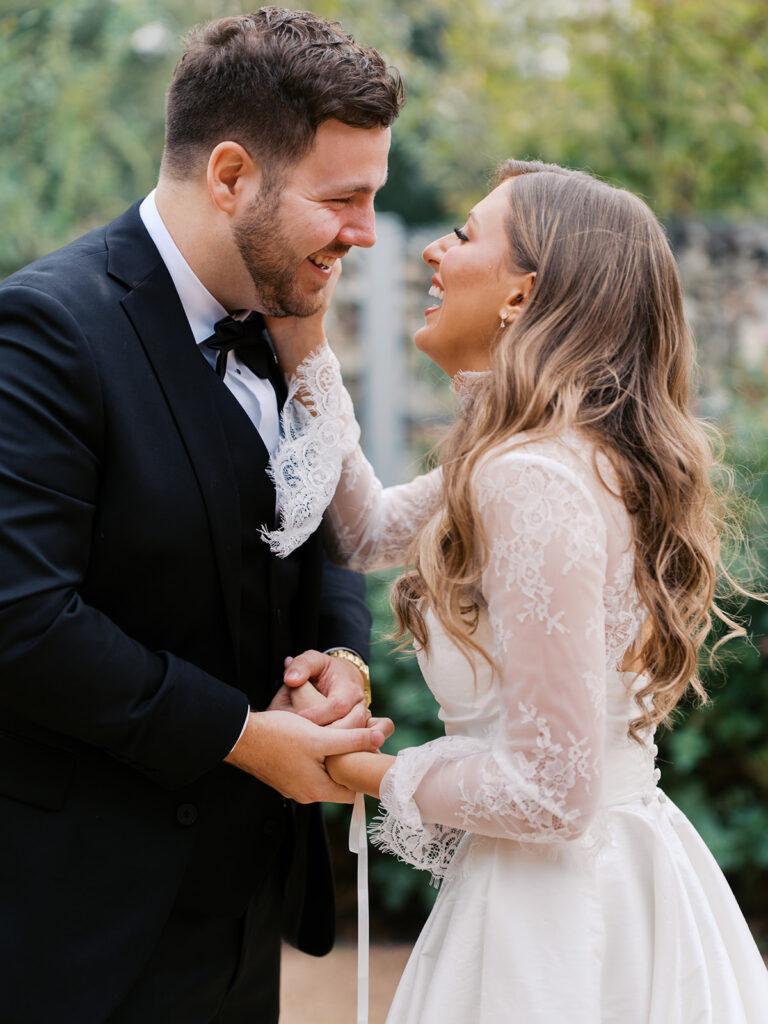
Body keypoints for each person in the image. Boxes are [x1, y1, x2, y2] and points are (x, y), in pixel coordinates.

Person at [265, 160, 768, 1022]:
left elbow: (549, 791)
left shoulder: (531, 476)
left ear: (520, 296)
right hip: (610, 878)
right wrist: (308, 349)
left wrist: (354, 769)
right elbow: (365, 532)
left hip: (558, 927)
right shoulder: (547, 453)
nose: (430, 250)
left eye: (462, 235)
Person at [0, 8, 404, 1023]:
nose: (362, 232)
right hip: (81, 923)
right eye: (342, 198)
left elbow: (325, 534)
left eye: (373, 199)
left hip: (243, 914)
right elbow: (23, 618)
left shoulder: (288, 321)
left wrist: (340, 665)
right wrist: (239, 734)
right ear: (230, 176)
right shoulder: (47, 329)